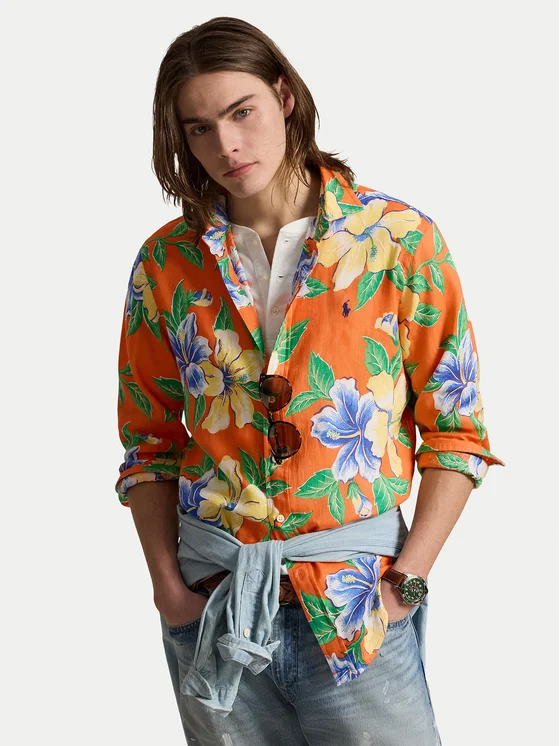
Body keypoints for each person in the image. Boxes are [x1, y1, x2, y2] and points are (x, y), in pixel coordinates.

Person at [115, 16, 505, 746]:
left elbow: (457, 433)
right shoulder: (166, 262)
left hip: (357, 607)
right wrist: (169, 589)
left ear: (285, 97)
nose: (226, 145)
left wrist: (407, 581)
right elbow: (149, 442)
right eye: (199, 128)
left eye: (242, 112)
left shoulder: (398, 241)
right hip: (214, 603)